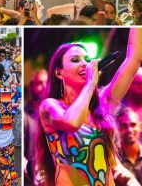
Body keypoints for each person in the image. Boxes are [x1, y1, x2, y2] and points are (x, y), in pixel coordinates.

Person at [35, 28, 142, 185]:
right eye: (75, 60)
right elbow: (72, 122)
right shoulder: (50, 106)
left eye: (87, 59)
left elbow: (134, 58)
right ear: (59, 73)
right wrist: (91, 83)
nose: (84, 64)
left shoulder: (102, 103)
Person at [117, 108, 142, 183]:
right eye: (124, 126)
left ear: (140, 127)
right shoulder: (114, 160)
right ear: (118, 129)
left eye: (133, 124)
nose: (129, 130)